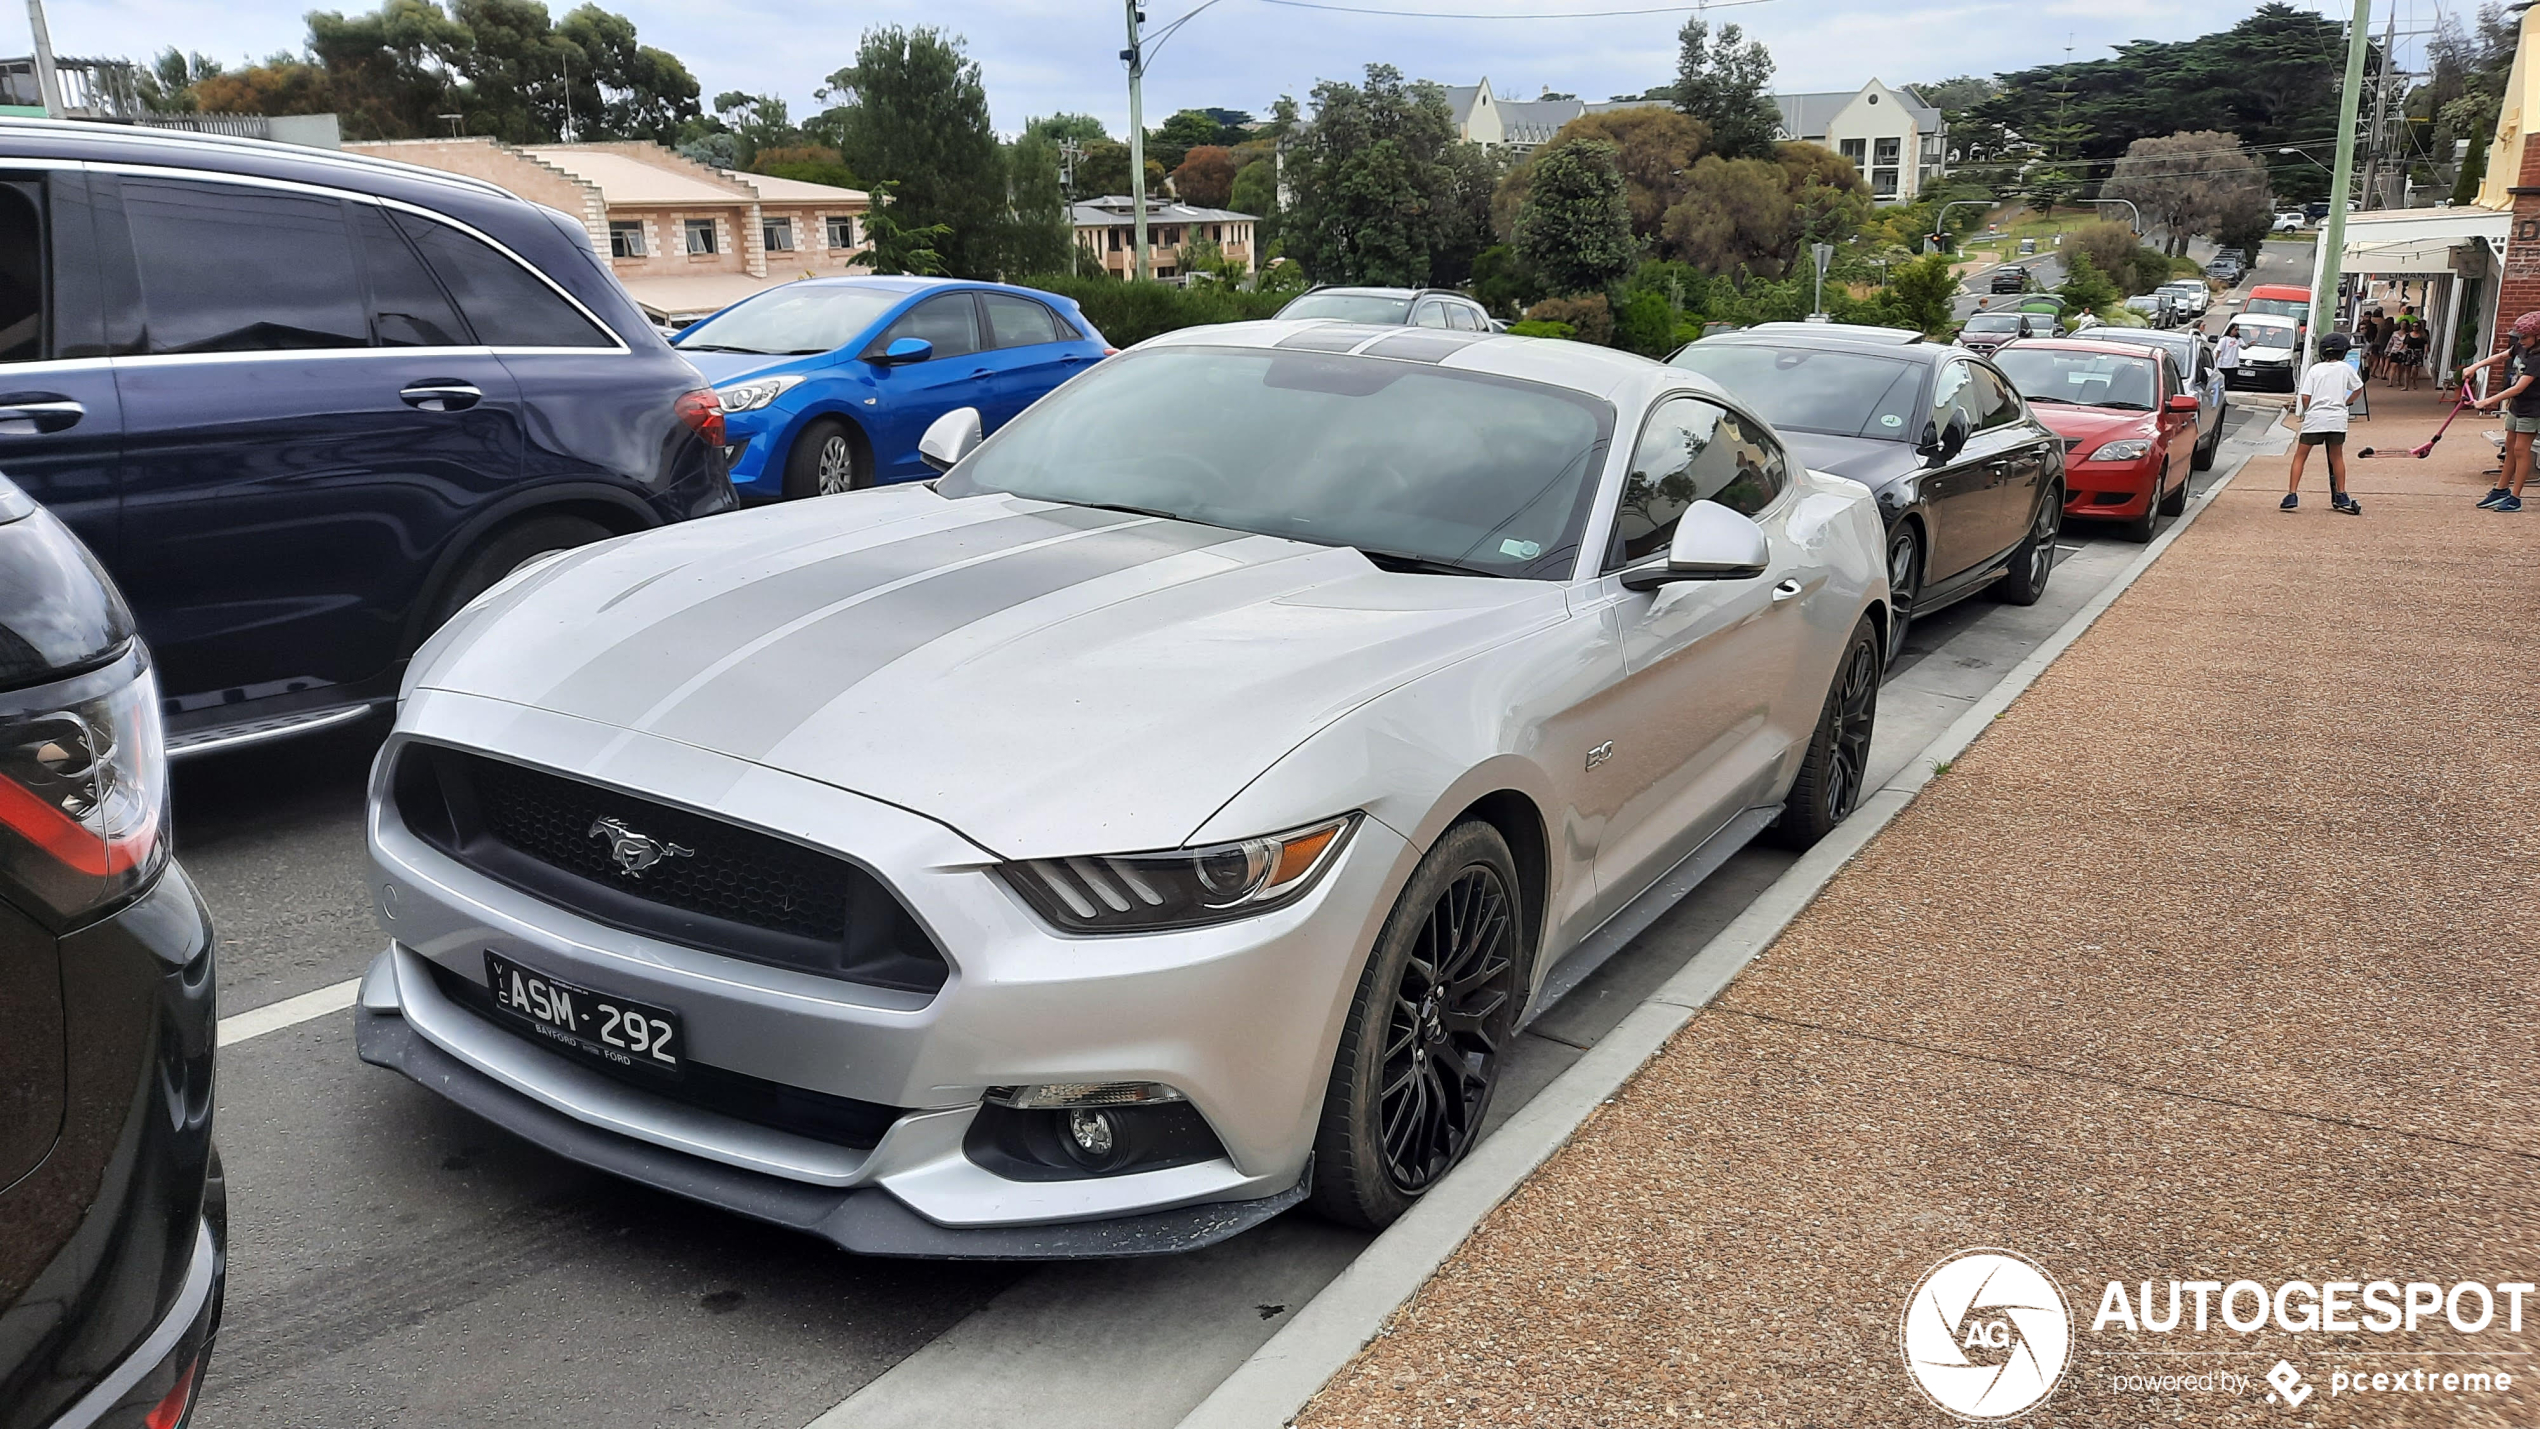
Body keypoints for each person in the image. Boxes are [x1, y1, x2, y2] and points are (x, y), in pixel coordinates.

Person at [2463, 310, 2540, 512]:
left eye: (2525, 337)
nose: (2521, 340)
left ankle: (2515, 497)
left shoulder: (2538, 359)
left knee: (2521, 450)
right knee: (2510, 447)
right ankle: (2501, 489)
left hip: (2532, 409)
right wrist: (2475, 366)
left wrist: (2486, 401)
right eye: (2519, 337)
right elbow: (2500, 356)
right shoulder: (2522, 348)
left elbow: (2518, 387)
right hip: (2517, 406)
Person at [2286, 332, 2364, 514]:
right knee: (2336, 456)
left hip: (2315, 418)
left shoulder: (2315, 370)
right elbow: (2358, 388)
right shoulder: (2345, 369)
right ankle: (2342, 493)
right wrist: (2346, 402)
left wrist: (2309, 410)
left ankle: (2292, 494)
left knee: (2300, 456)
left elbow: (2305, 396)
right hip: (2337, 418)